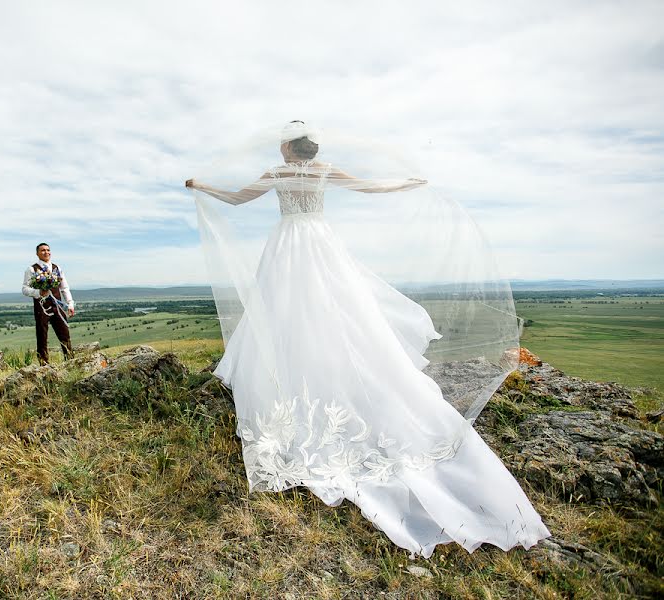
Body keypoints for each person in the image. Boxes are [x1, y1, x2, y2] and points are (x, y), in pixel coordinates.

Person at [186, 121, 550, 558]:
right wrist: (409, 183)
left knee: (286, 309)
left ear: (287, 149)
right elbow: (371, 188)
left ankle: (292, 373)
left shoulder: (277, 174)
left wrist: (202, 187)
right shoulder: (323, 170)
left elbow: (238, 197)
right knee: (338, 310)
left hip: (288, 243)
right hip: (320, 241)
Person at [21, 243, 75, 364]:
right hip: (41, 307)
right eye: (43, 250)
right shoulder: (31, 269)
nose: (46, 252)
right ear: (37, 253)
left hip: (57, 306)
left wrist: (70, 304)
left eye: (48, 250)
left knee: (64, 334)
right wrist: (38, 292)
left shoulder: (57, 268)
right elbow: (24, 289)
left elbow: (64, 288)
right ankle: (44, 364)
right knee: (42, 336)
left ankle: (70, 362)